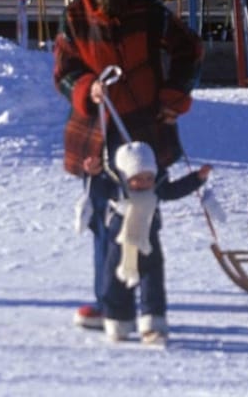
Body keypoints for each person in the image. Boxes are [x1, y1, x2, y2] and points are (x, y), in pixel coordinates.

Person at [53, 0, 202, 344]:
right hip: (98, 130)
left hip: (145, 128)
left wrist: (174, 97)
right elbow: (64, 72)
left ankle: (151, 309)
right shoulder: (73, 16)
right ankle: (110, 305)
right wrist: (86, 87)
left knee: (145, 220)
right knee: (105, 220)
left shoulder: (148, 11)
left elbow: (190, 50)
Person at [89, 141, 210, 347]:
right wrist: (92, 174)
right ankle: (119, 321)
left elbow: (174, 190)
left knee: (153, 285)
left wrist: (196, 179)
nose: (144, 183)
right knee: (115, 284)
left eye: (149, 178)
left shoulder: (156, 190)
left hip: (149, 247)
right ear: (125, 178)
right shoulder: (117, 192)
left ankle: (153, 325)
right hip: (120, 247)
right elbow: (97, 191)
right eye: (137, 179)